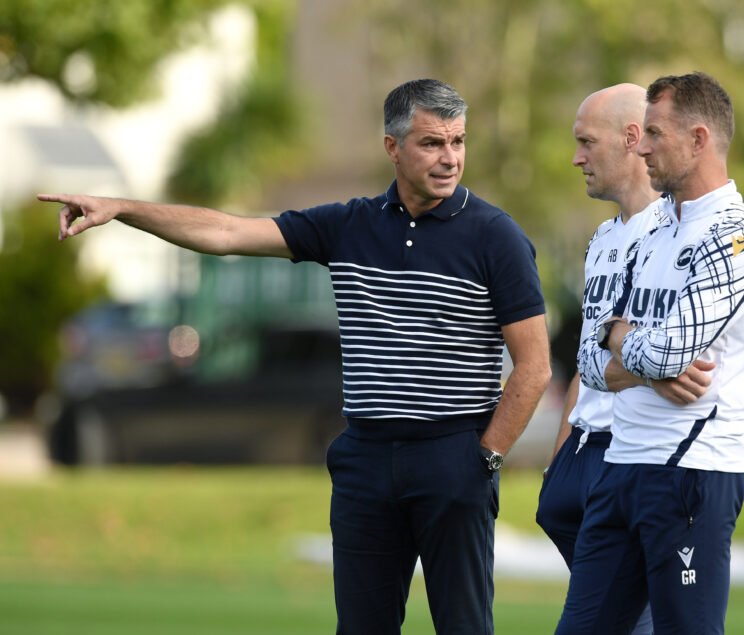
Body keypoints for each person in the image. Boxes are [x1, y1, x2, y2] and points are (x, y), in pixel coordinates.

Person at [39, 78, 552, 635]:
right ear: (393, 147)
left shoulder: (496, 236)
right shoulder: (348, 225)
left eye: (458, 141)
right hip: (366, 459)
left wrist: (486, 459)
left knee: (465, 627)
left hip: (453, 456)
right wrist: (122, 208)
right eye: (432, 143)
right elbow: (227, 232)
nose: (450, 158)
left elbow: (535, 365)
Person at [558, 71, 744, 634]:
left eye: (654, 133)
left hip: (690, 473)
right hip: (621, 466)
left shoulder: (738, 235)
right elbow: (586, 357)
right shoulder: (650, 233)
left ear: (699, 139)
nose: (643, 146)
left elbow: (672, 352)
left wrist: (623, 341)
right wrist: (631, 351)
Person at [535, 83, 715, 635]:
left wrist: (631, 352)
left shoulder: (680, 231)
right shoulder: (602, 240)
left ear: (631, 138)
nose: (576, 157)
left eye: (587, 142)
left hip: (636, 457)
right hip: (581, 457)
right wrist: (561, 459)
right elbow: (592, 357)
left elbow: (685, 366)